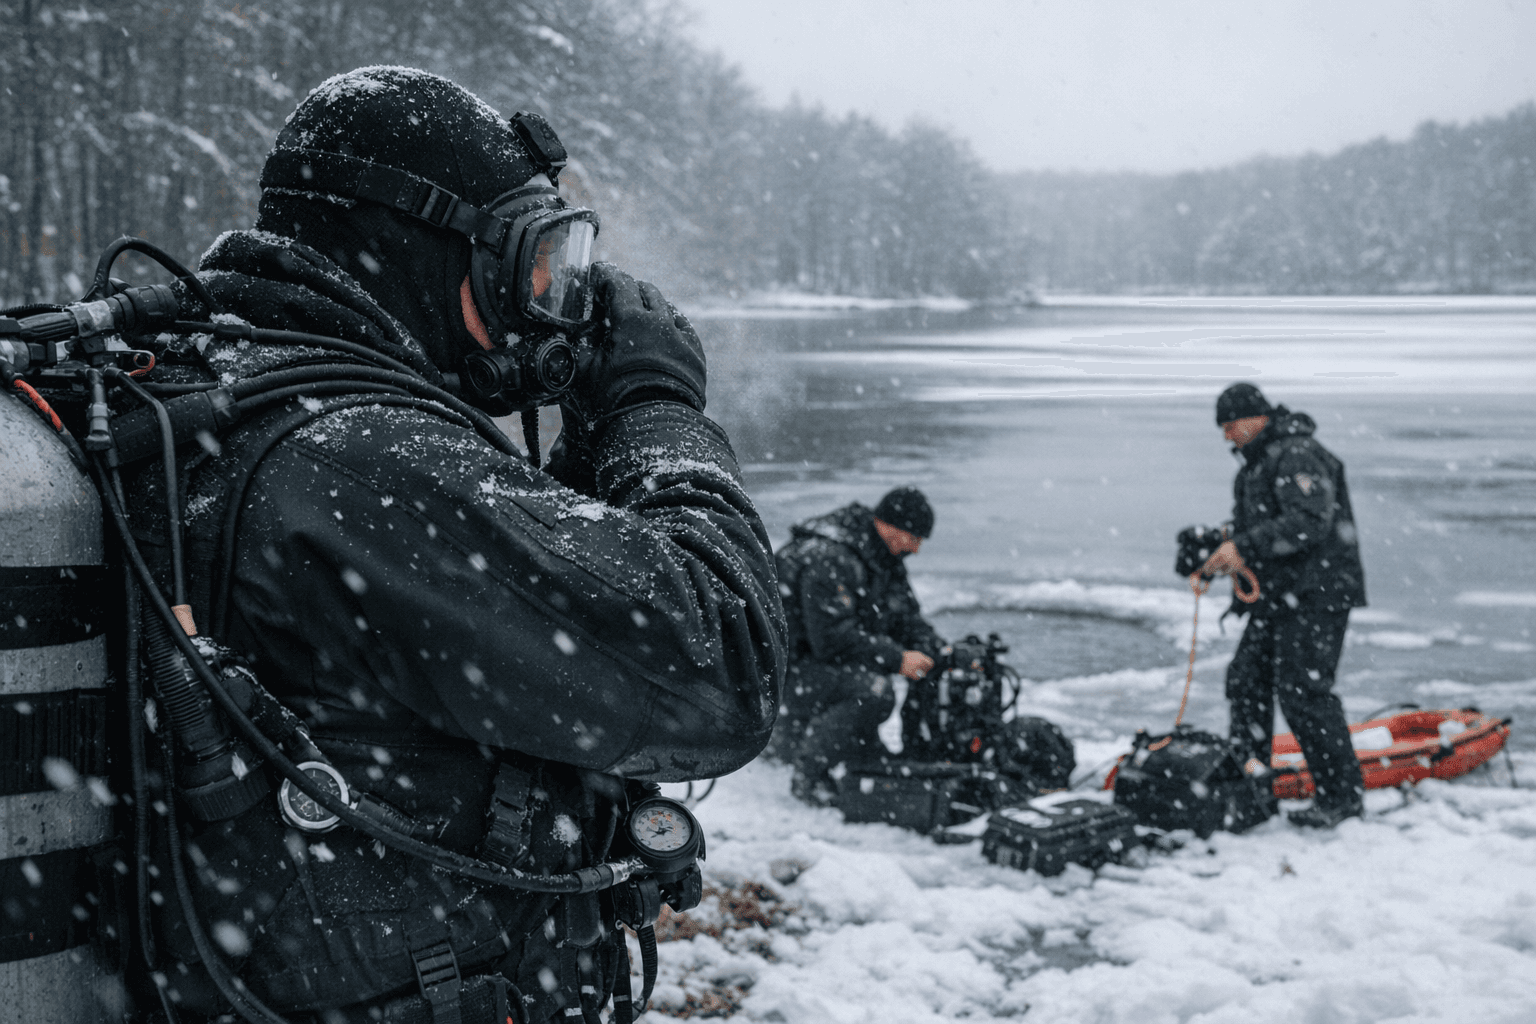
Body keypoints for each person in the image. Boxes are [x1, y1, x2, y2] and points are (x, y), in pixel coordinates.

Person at [124, 67, 785, 1023]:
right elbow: (723, 668)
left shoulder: (220, 395)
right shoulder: (359, 465)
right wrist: (655, 407)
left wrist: (587, 436)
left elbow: (557, 619)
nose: (541, 306)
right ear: (422, 250)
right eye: (532, 264)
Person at [774, 487, 1073, 804]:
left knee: (906, 672)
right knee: (873, 691)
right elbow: (831, 640)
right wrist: (898, 659)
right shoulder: (830, 558)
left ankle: (865, 751)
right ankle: (809, 776)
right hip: (780, 673)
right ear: (892, 526)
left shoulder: (879, 555)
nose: (916, 550)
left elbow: (905, 619)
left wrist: (940, 653)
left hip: (812, 665)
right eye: (914, 539)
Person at [1194, 382, 1367, 828]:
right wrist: (1213, 548)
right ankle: (1251, 788)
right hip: (1278, 597)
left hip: (1317, 593)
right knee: (1246, 680)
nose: (1226, 435)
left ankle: (1341, 798)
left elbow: (1308, 521)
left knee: (1304, 693)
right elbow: (1256, 527)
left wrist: (1242, 548)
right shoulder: (1256, 466)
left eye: (1231, 424)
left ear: (1257, 417)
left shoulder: (1297, 455)